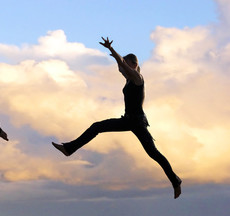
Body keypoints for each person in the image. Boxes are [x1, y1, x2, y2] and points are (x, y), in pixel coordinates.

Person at [52, 37, 182, 199]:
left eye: (126, 65)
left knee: (153, 153)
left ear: (134, 65)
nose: (122, 69)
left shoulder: (137, 78)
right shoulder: (129, 79)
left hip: (137, 121)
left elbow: (123, 66)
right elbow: (121, 67)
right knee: (96, 126)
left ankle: (175, 181)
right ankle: (69, 149)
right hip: (128, 120)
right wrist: (115, 57)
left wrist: (112, 51)